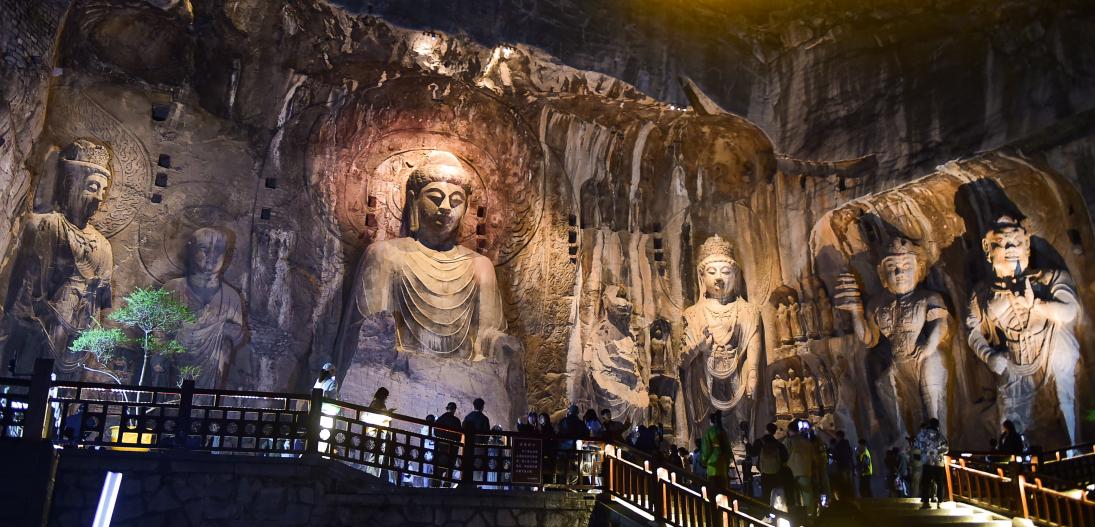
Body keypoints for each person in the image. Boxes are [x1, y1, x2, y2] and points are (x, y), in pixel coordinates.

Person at [785, 420, 821, 519]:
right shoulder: (807, 442)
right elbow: (814, 458)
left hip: (792, 472)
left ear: (789, 430)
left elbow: (784, 455)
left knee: (793, 496)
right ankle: (810, 515)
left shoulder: (788, 441)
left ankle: (796, 516)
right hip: (806, 471)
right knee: (807, 495)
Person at [915, 418, 949, 509]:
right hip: (938, 463)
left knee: (926, 482)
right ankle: (940, 502)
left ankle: (926, 502)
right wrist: (936, 451)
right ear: (937, 426)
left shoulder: (922, 435)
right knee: (939, 482)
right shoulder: (940, 436)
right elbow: (946, 449)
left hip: (927, 462)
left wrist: (921, 456)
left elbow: (916, 446)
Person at [755, 422, 789, 502]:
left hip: (764, 472)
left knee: (766, 494)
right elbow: (785, 458)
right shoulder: (779, 445)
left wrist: (747, 444)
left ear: (766, 430)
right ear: (774, 432)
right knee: (775, 493)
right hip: (776, 472)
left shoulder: (760, 442)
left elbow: (753, 453)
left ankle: (765, 507)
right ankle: (775, 508)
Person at [435, 401, 463, 486]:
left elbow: (435, 432)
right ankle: (447, 485)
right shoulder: (456, 421)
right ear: (454, 410)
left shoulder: (440, 419)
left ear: (447, 408)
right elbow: (459, 436)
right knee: (449, 468)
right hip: (452, 448)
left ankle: (436, 484)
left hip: (441, 447)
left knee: (439, 468)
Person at [702, 411, 731, 490]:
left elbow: (706, 449)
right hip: (723, 462)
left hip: (713, 463)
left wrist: (703, 461)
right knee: (723, 485)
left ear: (710, 421)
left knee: (714, 486)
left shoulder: (709, 432)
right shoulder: (723, 431)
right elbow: (728, 447)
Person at [831, 430, 855, 499]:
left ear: (838, 436)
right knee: (849, 480)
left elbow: (836, 455)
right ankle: (852, 494)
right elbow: (850, 453)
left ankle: (847, 495)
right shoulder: (847, 444)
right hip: (848, 464)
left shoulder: (838, 445)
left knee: (845, 480)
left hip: (842, 465)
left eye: (836, 437)